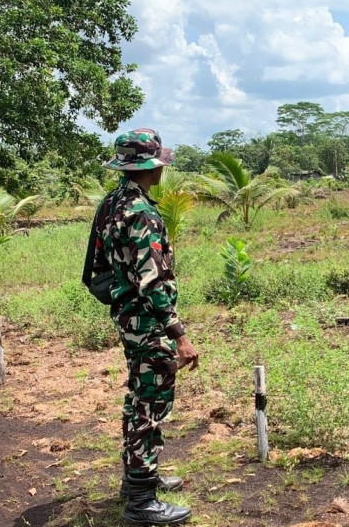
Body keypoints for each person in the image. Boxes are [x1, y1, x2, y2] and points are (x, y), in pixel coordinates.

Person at [93, 128, 200, 525]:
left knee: (138, 396)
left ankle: (138, 479)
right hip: (147, 320)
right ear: (148, 166)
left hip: (128, 315)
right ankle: (141, 502)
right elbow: (152, 282)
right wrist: (180, 335)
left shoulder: (113, 201)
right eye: (158, 163)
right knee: (151, 405)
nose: (162, 169)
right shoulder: (140, 212)